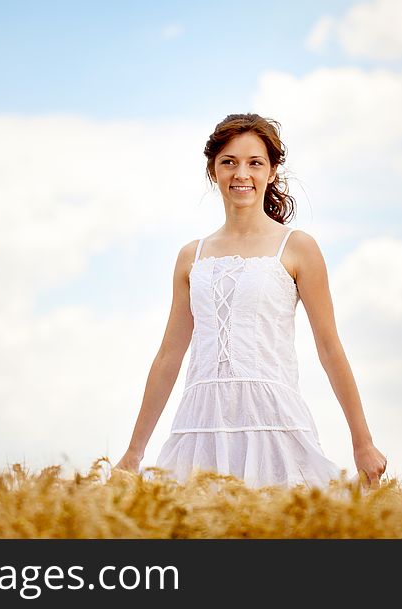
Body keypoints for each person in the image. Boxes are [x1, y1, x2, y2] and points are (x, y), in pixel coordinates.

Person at [114, 113, 387, 490]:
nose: (241, 173)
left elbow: (329, 348)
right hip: (200, 427)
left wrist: (363, 442)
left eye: (255, 163)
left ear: (272, 171)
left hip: (273, 425)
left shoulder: (297, 248)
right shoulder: (190, 257)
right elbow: (168, 357)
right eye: (229, 162)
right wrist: (134, 452)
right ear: (213, 171)